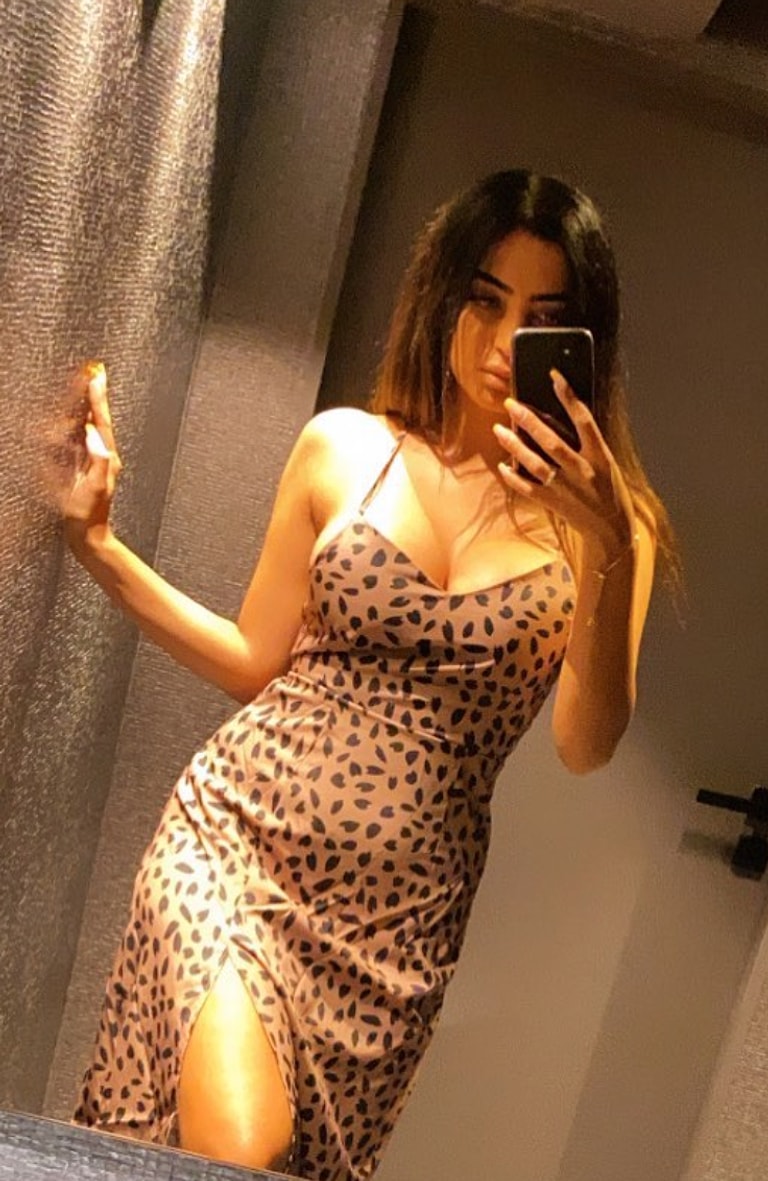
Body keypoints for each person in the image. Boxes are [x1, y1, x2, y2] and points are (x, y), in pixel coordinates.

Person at [65, 170, 675, 1181]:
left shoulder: (610, 530)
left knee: (273, 1162)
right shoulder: (343, 448)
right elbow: (254, 660)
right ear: (443, 295)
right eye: (485, 300)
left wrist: (608, 541)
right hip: (235, 838)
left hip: (393, 929)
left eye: (542, 319)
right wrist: (100, 547)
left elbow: (585, 740)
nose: (503, 341)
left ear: (583, 342)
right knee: (239, 1144)